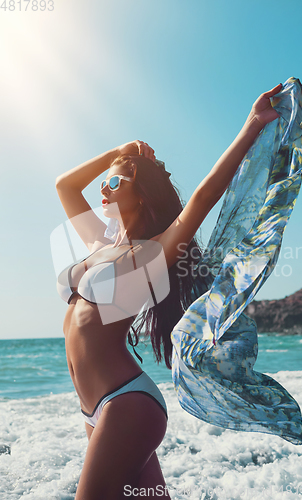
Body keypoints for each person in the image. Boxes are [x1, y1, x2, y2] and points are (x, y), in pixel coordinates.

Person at [55, 83, 284, 499]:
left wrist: (251, 126)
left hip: (126, 405)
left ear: (141, 196)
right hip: (96, 408)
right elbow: (64, 186)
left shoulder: (154, 253)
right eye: (105, 182)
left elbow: (204, 196)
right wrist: (117, 154)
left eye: (114, 182)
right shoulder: (100, 243)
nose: (103, 188)